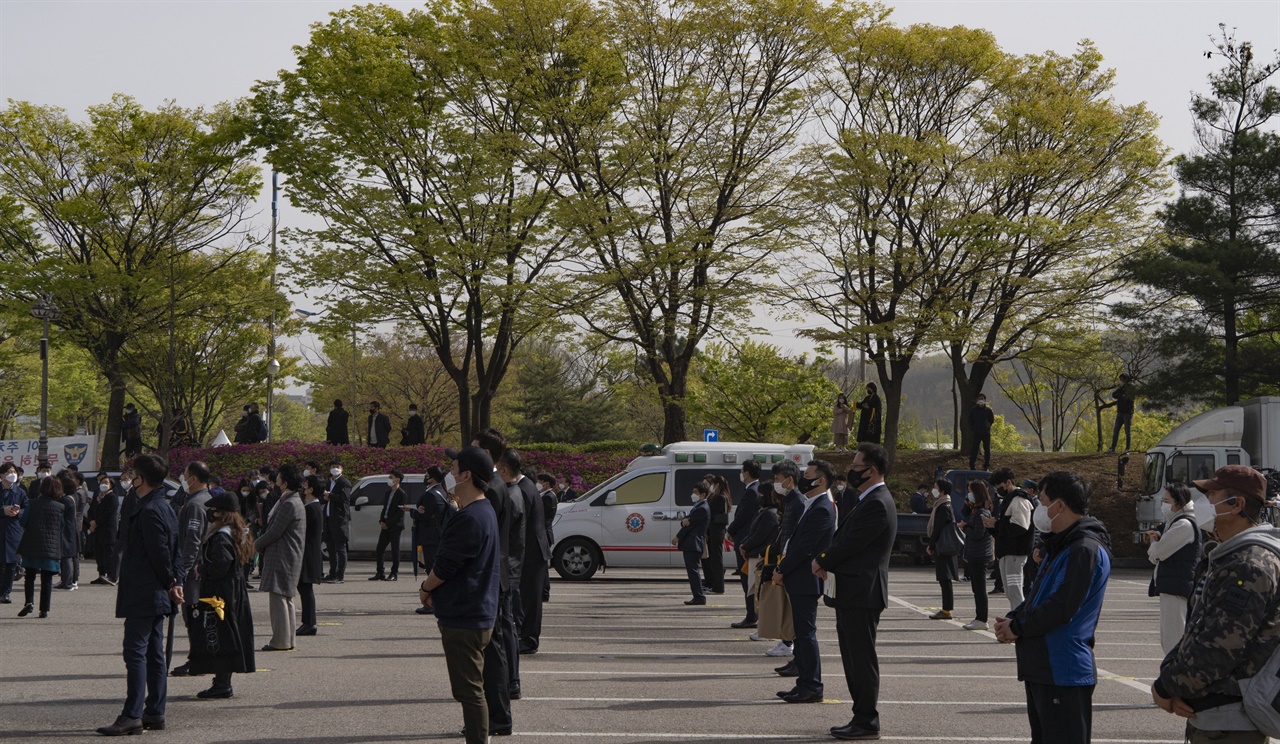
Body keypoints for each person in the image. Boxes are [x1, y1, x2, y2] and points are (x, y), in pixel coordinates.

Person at [1152, 465, 1278, 744]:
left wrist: (1166, 686)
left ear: (1237, 504)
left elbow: (1220, 645)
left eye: (1211, 494)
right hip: (1218, 715)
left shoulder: (1248, 565)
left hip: (1231, 722)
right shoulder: (1233, 556)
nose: (1202, 503)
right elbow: (1196, 630)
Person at [995, 471, 1111, 744]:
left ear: (1059, 505)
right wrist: (1013, 618)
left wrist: (1017, 627)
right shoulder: (1060, 546)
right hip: (1045, 668)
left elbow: (1062, 606)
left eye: (1042, 501)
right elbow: (1039, 596)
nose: (1038, 508)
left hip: (1063, 669)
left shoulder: (1083, 549)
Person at [418, 445, 500, 744]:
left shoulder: (471, 517)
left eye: (453, 469)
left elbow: (446, 565)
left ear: (466, 475)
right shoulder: (482, 510)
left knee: (469, 691)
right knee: (470, 689)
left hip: (466, 616)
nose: (449, 474)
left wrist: (426, 588)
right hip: (476, 611)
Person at [813, 445, 896, 738]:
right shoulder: (867, 498)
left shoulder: (876, 502)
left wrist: (822, 560)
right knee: (853, 657)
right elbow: (846, 538)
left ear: (870, 470)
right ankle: (860, 715)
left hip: (863, 592)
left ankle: (866, 720)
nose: (851, 469)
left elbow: (851, 543)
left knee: (861, 659)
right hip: (854, 591)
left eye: (856, 465)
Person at [96, 453, 179, 737]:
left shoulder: (150, 510)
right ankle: (154, 710)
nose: (129, 479)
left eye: (133, 474)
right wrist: (172, 580)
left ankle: (132, 714)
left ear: (141, 479)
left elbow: (161, 552)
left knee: (136, 652)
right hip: (153, 590)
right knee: (154, 653)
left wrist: (170, 580)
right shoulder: (162, 505)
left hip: (145, 589)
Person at [470, 428, 523, 734]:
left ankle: (498, 718)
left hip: (492, 577)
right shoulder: (494, 483)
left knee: (492, 652)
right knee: (493, 649)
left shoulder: (490, 488)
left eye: (473, 449)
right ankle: (495, 717)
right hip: (497, 574)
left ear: (486, 454)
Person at [772, 459, 835, 704]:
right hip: (800, 578)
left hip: (806, 579)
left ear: (820, 480)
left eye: (807, 474)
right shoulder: (813, 504)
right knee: (802, 633)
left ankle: (812, 685)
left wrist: (781, 568)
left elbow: (804, 549)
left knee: (806, 634)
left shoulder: (821, 507)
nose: (803, 478)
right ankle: (804, 683)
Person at [186, 491, 256, 699]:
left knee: (220, 634)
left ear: (220, 513)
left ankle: (222, 683)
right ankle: (222, 680)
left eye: (213, 511)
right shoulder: (237, 531)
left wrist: (202, 570)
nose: (210, 514)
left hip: (220, 593)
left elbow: (221, 564)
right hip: (234, 589)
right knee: (228, 633)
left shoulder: (221, 536)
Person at [254, 463, 305, 652]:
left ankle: (280, 641)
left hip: (283, 554)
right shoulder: (289, 500)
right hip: (285, 553)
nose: (276, 480)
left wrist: (255, 545)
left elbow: (274, 531)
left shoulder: (290, 503)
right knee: (285, 597)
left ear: (285, 482)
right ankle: (287, 639)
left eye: (280, 477)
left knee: (279, 598)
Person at [1145, 482, 1200, 655]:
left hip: (1177, 587)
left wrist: (1155, 547)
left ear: (1179, 502)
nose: (1164, 505)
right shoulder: (1176, 522)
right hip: (1172, 586)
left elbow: (1158, 552)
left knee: (1174, 639)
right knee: (1169, 637)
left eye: (1167, 500)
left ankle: (1175, 676)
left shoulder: (1183, 525)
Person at [170, 462, 213, 677]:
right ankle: (198, 657)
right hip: (200, 567)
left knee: (193, 615)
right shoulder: (204, 499)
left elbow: (192, 542)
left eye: (185, 475)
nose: (183, 479)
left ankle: (199, 660)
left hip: (194, 570)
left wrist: (182, 572)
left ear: (193, 478)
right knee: (196, 616)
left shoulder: (196, 504)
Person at [504, 450, 548, 659]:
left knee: (530, 600)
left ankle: (528, 640)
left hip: (530, 551)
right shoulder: (528, 485)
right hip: (535, 549)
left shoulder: (521, 489)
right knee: (530, 598)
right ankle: (527, 637)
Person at [16, 475, 65, 618]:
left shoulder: (32, 503)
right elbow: (62, 526)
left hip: (32, 544)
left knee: (29, 576)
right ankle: (44, 610)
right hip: (50, 546)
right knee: (47, 579)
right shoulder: (60, 507)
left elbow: (23, 521)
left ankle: (29, 602)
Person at [988, 468, 1035, 612]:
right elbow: (1005, 529)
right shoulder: (1009, 499)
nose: (997, 490)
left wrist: (995, 524)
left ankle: (1018, 618)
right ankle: (1016, 616)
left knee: (1015, 589)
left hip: (1016, 552)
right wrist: (992, 526)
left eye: (999, 486)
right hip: (1008, 551)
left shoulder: (1019, 499)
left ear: (1008, 482)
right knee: (1009, 590)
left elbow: (1020, 527)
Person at [411, 466, 455, 613]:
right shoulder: (440, 492)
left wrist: (413, 512)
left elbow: (425, 516)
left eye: (427, 475)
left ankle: (432, 603)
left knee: (432, 569)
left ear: (434, 478)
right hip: (437, 535)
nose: (425, 477)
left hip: (430, 537)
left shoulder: (431, 495)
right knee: (433, 567)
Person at [727, 460, 762, 629]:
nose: (741, 474)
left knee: (748, 581)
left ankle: (752, 616)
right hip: (745, 539)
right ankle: (752, 614)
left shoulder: (752, 492)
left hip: (745, 541)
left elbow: (743, 516)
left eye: (742, 471)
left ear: (747, 473)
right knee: (748, 580)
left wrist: (731, 530)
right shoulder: (752, 490)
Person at [959, 480, 994, 631]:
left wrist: (965, 527)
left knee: (979, 588)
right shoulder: (976, 511)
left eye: (971, 492)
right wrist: (967, 504)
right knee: (976, 588)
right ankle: (979, 617)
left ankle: (982, 619)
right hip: (975, 553)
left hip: (979, 554)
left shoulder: (982, 513)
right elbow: (964, 512)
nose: (969, 495)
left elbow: (977, 534)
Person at [674, 480, 710, 605]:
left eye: (695, 493)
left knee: (693, 572)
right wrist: (685, 520)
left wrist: (677, 537)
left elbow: (689, 525)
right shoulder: (698, 507)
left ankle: (699, 596)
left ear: (703, 495)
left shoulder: (702, 509)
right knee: (692, 571)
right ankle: (697, 596)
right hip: (692, 543)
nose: (692, 495)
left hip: (694, 543)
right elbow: (686, 521)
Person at [926, 478, 958, 621]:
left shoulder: (943, 506)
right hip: (945, 546)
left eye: (936, 487)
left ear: (942, 491)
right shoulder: (943, 504)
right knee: (944, 579)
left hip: (944, 547)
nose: (934, 490)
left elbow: (937, 529)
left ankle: (946, 610)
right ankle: (946, 609)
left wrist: (931, 545)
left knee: (945, 578)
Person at [297, 475, 325, 637]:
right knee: (304, 588)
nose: (303, 486)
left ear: (311, 489)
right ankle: (307, 622)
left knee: (306, 588)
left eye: (305, 484)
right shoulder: (312, 506)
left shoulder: (311, 508)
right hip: (308, 553)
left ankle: (309, 623)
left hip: (307, 553)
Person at [371, 469, 407, 581]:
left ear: (398, 479)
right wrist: (381, 521)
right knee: (380, 548)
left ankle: (394, 573)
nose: (389, 479)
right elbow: (385, 508)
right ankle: (380, 572)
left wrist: (389, 523)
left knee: (395, 550)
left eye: (391, 477)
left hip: (395, 526)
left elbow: (400, 512)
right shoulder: (388, 493)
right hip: (386, 525)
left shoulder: (402, 494)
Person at [0, 463, 27, 604]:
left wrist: (18, 512)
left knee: (11, 564)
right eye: (9, 471)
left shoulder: (20, 492)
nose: (13, 474)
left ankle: (6, 592)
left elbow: (27, 509)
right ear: (2, 475)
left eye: (14, 471)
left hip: (13, 530)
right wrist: (2, 511)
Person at [701, 474, 732, 595]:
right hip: (714, 530)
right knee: (714, 558)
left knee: (716, 559)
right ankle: (714, 584)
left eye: (713, 484)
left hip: (716, 531)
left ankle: (718, 587)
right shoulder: (719, 497)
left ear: (717, 485)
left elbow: (710, 513)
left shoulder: (720, 498)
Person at [90, 474, 122, 586]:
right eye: (102, 483)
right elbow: (91, 510)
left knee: (108, 553)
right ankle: (101, 575)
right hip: (97, 530)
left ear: (111, 485)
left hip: (108, 529)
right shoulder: (98, 497)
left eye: (106, 483)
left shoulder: (112, 497)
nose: (103, 485)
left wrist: (96, 522)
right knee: (99, 554)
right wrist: (91, 521)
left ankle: (110, 575)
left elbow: (108, 514)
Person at [322, 460, 351, 583]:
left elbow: (344, 498)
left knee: (340, 547)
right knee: (331, 548)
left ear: (342, 468)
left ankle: (340, 575)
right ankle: (332, 573)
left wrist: (330, 495)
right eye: (332, 467)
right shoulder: (329, 482)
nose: (335, 469)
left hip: (339, 519)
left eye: (337, 467)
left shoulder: (344, 483)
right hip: (329, 518)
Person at [55, 471, 82, 591]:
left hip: (67, 530)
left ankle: (67, 582)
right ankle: (66, 581)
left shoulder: (66, 500)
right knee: (67, 556)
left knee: (67, 556)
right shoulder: (72, 497)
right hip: (70, 528)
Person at [1104, 374, 1135, 454]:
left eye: (1122, 379)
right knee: (1116, 430)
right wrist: (1122, 396)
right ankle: (1113, 449)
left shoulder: (1131, 388)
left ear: (1126, 379)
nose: (1121, 381)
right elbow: (1114, 395)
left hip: (1127, 413)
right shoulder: (1121, 388)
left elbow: (1129, 398)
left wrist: (1121, 396)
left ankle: (1127, 449)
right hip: (1120, 412)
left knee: (1127, 431)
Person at [969, 393, 995, 470]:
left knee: (987, 449)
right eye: (979, 399)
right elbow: (970, 421)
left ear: (985, 400)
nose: (981, 400)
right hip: (976, 433)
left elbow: (991, 420)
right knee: (974, 449)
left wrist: (987, 426)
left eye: (982, 399)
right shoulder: (973, 410)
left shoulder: (988, 410)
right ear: (977, 400)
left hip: (986, 433)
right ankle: (972, 465)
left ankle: (986, 465)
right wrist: (974, 428)